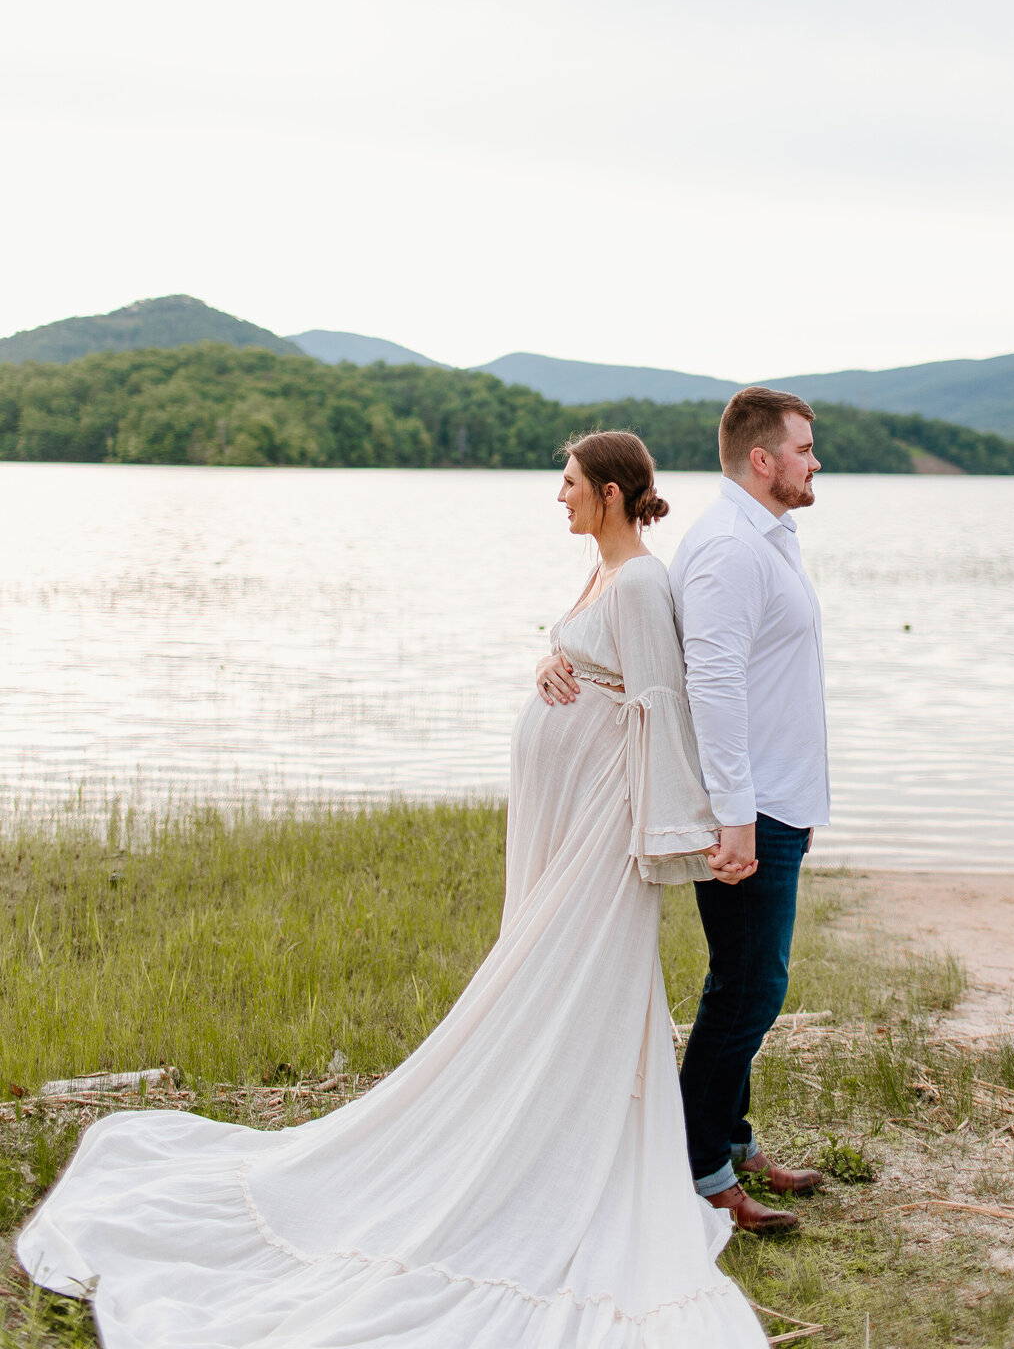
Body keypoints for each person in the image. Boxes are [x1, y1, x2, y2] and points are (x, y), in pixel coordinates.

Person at [19, 430, 767, 1348]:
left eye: (569, 482)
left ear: (610, 493)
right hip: (566, 819)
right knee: (534, 984)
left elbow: (658, 704)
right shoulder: (603, 574)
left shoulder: (647, 581)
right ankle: (532, 1135)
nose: (557, 495)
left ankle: (566, 1159)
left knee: (566, 987)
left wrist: (675, 835)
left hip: (600, 835)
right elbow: (585, 659)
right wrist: (544, 663)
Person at [669, 388, 831, 1232]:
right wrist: (736, 815)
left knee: (746, 986)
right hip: (751, 809)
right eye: (804, 448)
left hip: (777, 800)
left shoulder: (766, 536)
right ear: (761, 460)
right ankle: (699, 1174)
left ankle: (731, 1143)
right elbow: (713, 685)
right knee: (749, 991)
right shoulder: (732, 547)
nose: (815, 461)